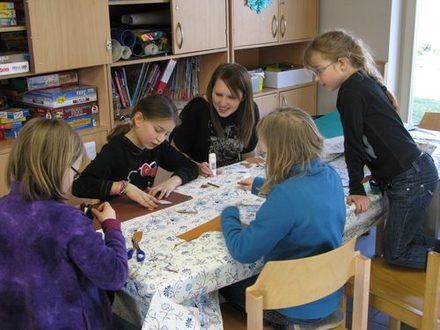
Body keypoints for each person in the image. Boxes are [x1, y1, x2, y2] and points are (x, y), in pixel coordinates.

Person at [304, 29, 440, 269]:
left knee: (396, 253)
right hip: (414, 172)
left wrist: (357, 188)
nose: (316, 78)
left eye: (318, 70)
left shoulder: (350, 92)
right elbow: (375, 139)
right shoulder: (363, 82)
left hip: (411, 178)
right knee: (412, 240)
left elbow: (354, 143)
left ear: (342, 63)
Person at [220, 108, 346, 329]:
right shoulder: (331, 176)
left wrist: (229, 215)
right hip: (328, 295)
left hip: (291, 305)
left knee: (221, 287)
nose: (266, 158)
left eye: (266, 153)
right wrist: (261, 185)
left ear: (281, 154)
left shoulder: (284, 196)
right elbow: (304, 197)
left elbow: (243, 250)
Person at [0, 118, 128, 329]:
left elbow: (33, 230)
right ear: (59, 168)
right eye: (75, 172)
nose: (73, 180)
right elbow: (114, 275)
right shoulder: (68, 222)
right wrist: (112, 227)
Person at [72, 94, 198, 210]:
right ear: (138, 119)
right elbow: (80, 186)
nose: (161, 138)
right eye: (157, 130)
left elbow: (191, 166)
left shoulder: (158, 146)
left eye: (166, 134)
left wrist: (172, 182)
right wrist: (124, 188)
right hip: (116, 214)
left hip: (142, 211)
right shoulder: (115, 150)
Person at [171, 62, 260, 176]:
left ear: (243, 97)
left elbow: (249, 154)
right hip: (195, 175)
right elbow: (174, 151)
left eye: (231, 97)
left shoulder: (250, 110)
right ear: (211, 89)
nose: (222, 103)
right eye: (218, 94)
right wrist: (196, 167)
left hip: (231, 177)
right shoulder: (197, 108)